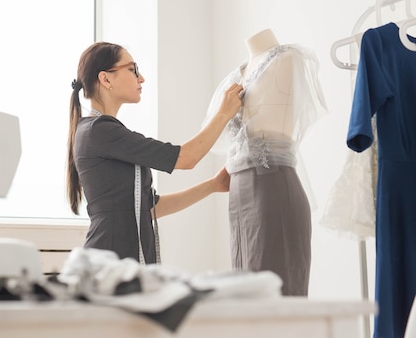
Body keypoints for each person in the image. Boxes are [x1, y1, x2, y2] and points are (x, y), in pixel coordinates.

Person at [66, 41, 243, 265]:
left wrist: (213, 185)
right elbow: (186, 158)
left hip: (119, 263)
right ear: (106, 79)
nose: (141, 78)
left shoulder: (102, 132)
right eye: (133, 70)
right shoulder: (99, 131)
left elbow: (150, 208)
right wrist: (224, 112)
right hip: (111, 264)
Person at [203, 28, 327, 296]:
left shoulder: (288, 58)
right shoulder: (236, 76)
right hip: (238, 193)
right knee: (245, 294)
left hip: (274, 186)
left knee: (278, 289)